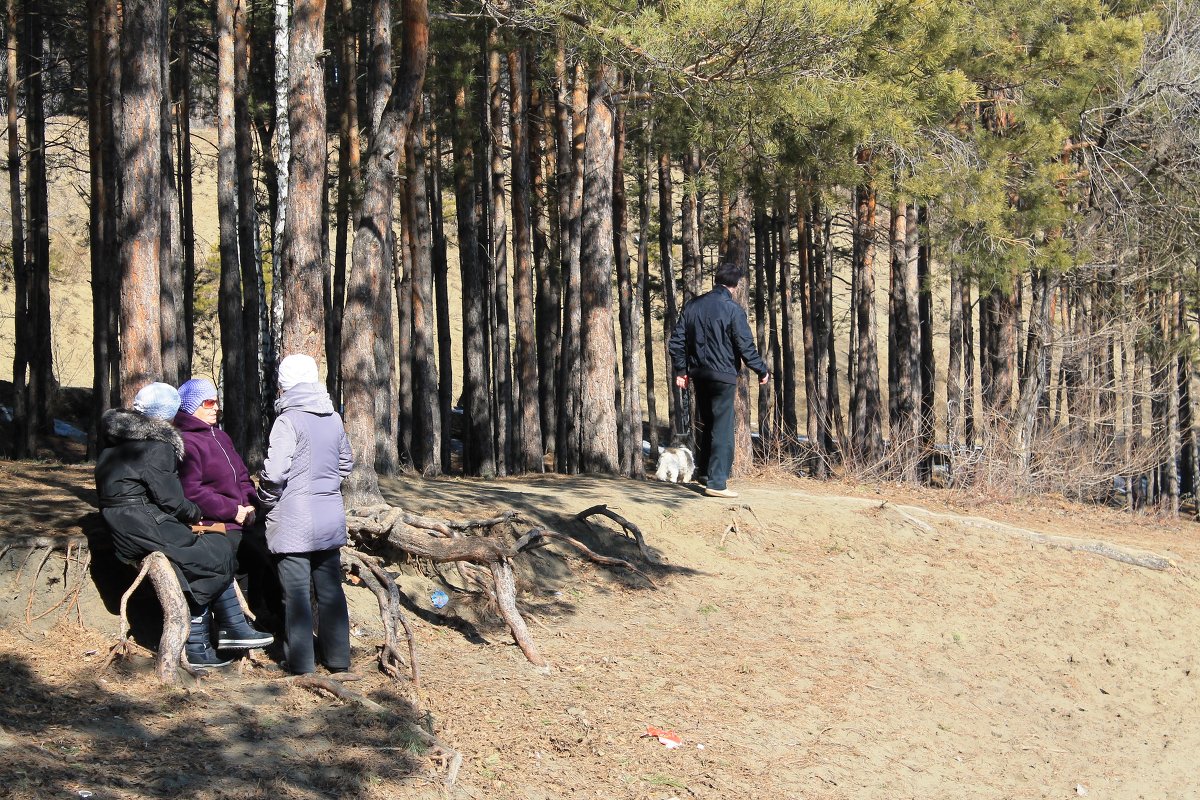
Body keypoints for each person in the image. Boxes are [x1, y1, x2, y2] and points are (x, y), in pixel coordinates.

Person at [95, 382, 271, 668]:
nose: (215, 407)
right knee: (214, 551)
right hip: (142, 524)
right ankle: (202, 643)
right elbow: (173, 499)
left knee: (211, 551)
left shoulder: (116, 440)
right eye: (207, 402)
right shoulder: (156, 447)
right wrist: (194, 514)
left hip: (124, 522)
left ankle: (228, 629)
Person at [259, 354, 354, 676]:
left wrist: (265, 500)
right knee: (330, 590)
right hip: (329, 516)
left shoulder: (288, 420)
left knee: (296, 594)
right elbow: (345, 463)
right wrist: (325, 487)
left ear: (285, 383)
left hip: (293, 519)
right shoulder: (333, 417)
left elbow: (274, 473)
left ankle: (300, 663)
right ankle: (339, 659)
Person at [174, 377, 278, 637]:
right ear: (191, 407)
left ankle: (271, 618)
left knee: (271, 552)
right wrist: (233, 511)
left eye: (217, 401)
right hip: (213, 521)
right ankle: (236, 624)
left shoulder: (221, 436)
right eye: (208, 402)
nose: (215, 407)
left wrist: (251, 505)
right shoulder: (186, 442)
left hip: (243, 517)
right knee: (239, 559)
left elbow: (242, 477)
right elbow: (192, 491)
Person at [668, 263, 771, 499]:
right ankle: (716, 483)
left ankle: (705, 473)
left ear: (717, 280)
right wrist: (761, 369)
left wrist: (681, 370)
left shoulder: (693, 306)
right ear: (735, 285)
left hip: (699, 375)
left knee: (708, 423)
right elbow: (744, 345)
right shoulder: (733, 310)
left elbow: (677, 342)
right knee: (723, 428)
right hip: (723, 376)